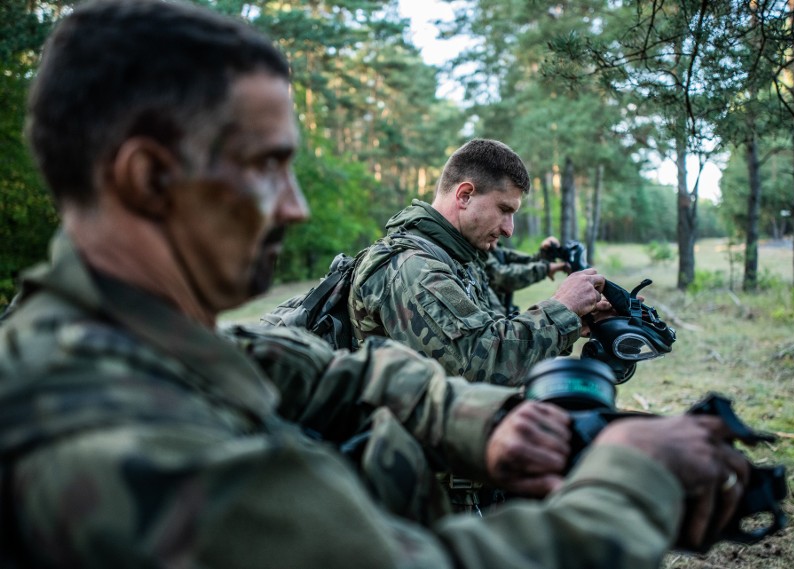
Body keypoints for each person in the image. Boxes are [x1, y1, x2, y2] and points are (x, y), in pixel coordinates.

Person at [0, 1, 753, 567]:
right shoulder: (122, 446)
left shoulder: (120, 341)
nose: (295, 206)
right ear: (150, 178)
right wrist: (634, 480)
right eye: (267, 167)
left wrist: (479, 422)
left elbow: (309, 369)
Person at [344, 139, 608, 385]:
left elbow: (492, 332)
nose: (509, 230)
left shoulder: (458, 258)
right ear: (464, 195)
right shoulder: (413, 267)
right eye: (505, 210)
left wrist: (573, 319)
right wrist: (561, 309)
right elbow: (478, 366)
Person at [487, 236, 570, 315]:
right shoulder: (479, 252)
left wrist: (545, 252)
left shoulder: (494, 249)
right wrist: (546, 268)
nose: (507, 231)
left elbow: (525, 261)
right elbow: (503, 278)